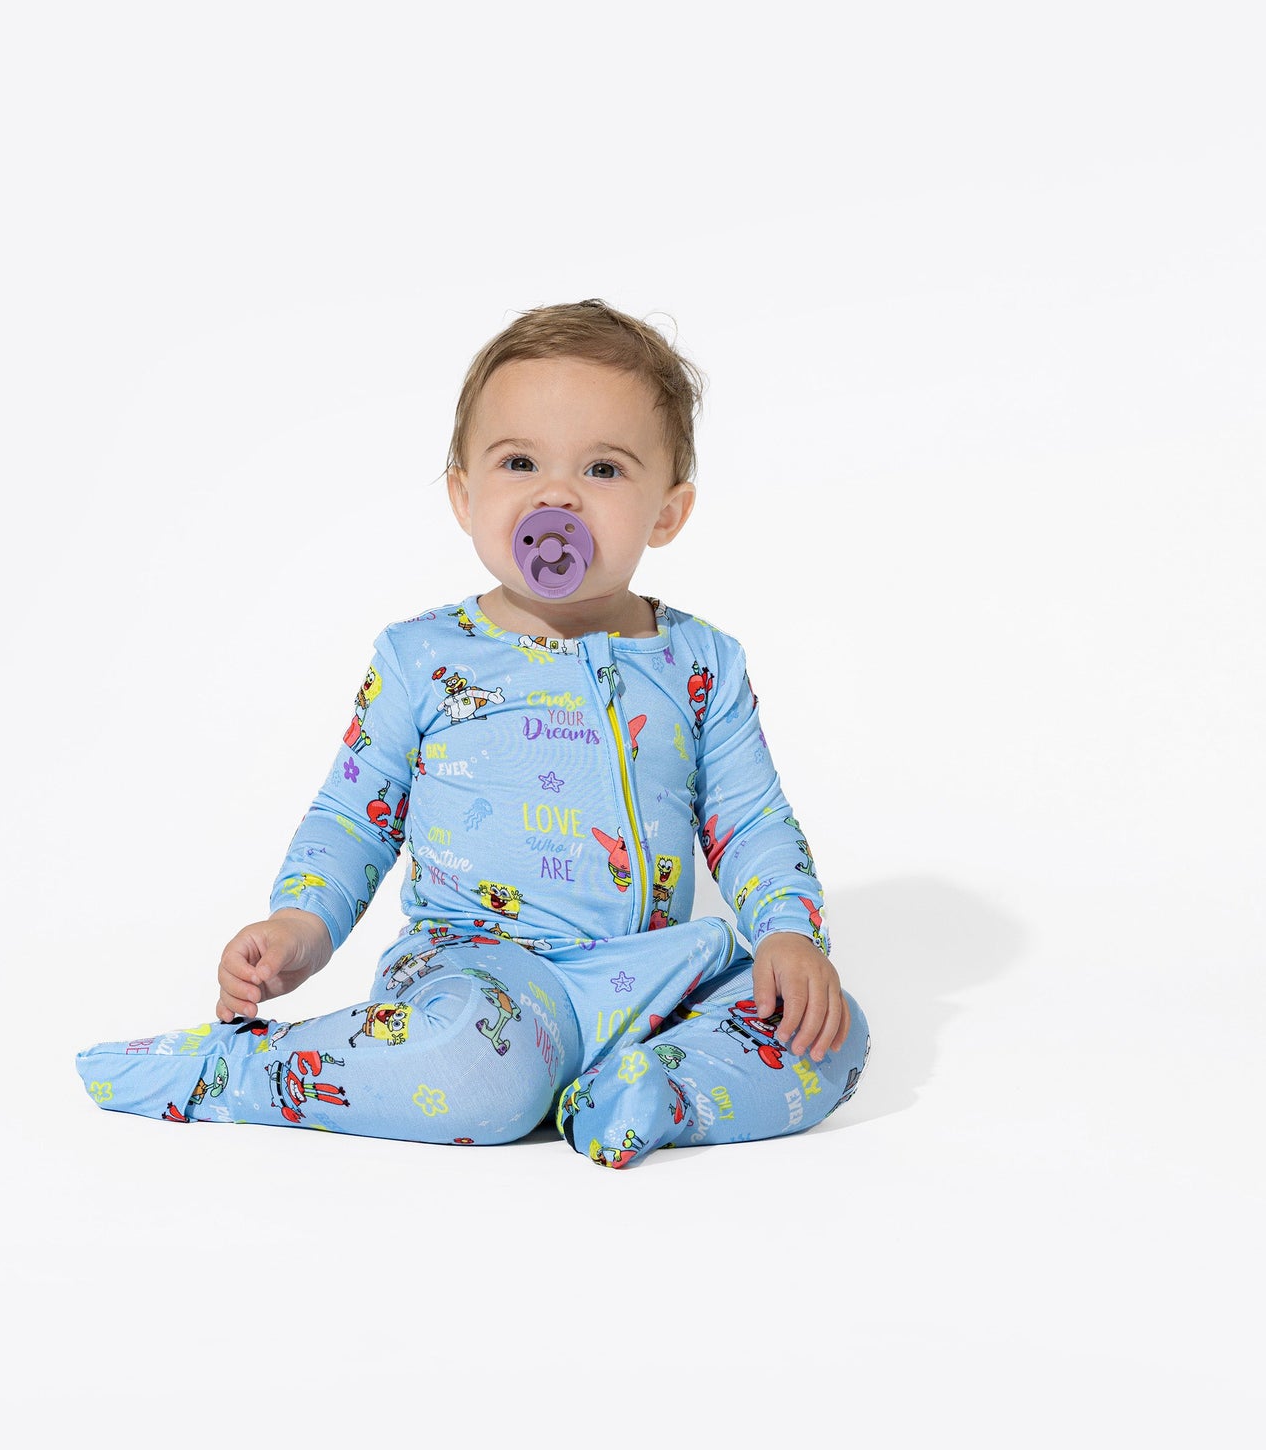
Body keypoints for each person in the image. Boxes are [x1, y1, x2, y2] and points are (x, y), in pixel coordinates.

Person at [75, 299, 869, 1168]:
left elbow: (751, 820)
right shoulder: (422, 657)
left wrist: (791, 934)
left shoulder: (701, 661)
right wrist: (302, 923)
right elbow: (355, 814)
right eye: (520, 462)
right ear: (465, 495)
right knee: (475, 1072)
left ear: (667, 512)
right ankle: (239, 1070)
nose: (556, 496)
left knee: (829, 1034)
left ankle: (646, 1091)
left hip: (657, 977)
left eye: (603, 468)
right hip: (482, 975)